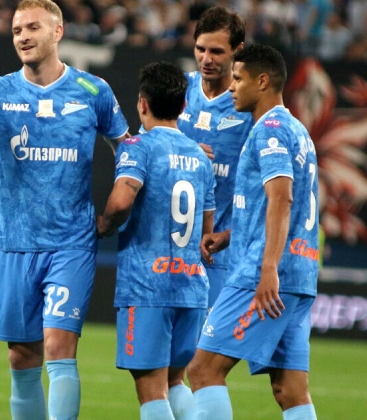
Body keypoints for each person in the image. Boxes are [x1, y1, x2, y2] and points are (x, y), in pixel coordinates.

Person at [0, 0, 130, 417]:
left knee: (59, 347)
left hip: (72, 243)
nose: (22, 36)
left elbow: (127, 150)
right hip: (17, 244)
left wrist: (123, 201)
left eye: (32, 27)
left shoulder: (93, 91)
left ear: (57, 32)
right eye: (17, 30)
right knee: (21, 357)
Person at [187, 44, 319, 420]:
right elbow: (280, 205)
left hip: (264, 275)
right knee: (290, 389)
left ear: (262, 82)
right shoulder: (297, 129)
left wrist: (268, 268)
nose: (231, 87)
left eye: (238, 79)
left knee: (203, 370)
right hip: (300, 275)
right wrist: (229, 235)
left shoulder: (270, 131)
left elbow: (282, 198)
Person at [96, 61, 215, 420]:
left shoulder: (137, 147)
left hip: (147, 286)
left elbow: (121, 202)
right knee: (175, 380)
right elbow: (207, 229)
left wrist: (104, 224)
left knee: (150, 386)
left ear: (142, 104)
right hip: (191, 286)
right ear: (183, 106)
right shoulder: (200, 156)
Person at [171, 8, 252, 418]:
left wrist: (234, 236)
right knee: (168, 371)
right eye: (201, 49)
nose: (206, 58)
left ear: (238, 50)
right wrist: (183, 151)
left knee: (202, 367)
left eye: (217, 51)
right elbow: (144, 150)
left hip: (221, 255)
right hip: (172, 250)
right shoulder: (178, 91)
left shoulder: (249, 105)